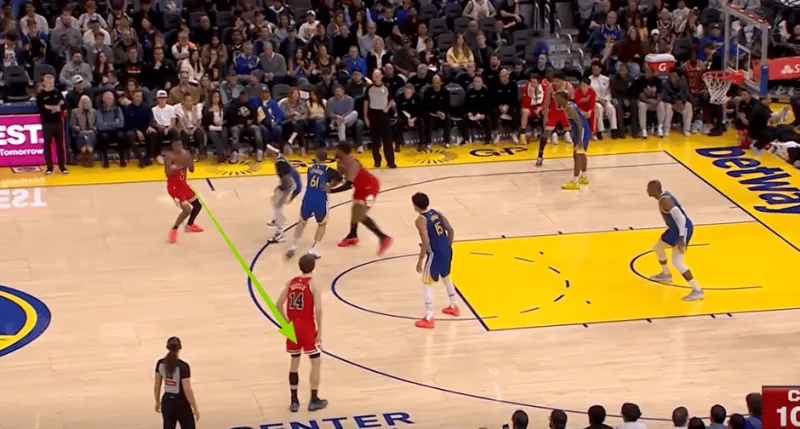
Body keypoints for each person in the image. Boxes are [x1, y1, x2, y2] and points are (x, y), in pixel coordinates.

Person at [275, 254, 328, 413]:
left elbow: (278, 305)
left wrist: (286, 323)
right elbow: (318, 309)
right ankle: (314, 399)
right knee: (315, 362)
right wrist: (320, 331)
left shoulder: (291, 282)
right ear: (313, 267)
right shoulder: (313, 284)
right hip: (306, 326)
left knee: (294, 362)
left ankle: (294, 401)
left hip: (293, 327)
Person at [330, 142, 393, 255]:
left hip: (370, 188)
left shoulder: (353, 163)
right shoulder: (340, 162)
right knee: (355, 211)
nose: (335, 151)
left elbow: (348, 185)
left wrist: (331, 191)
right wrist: (328, 186)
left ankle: (383, 237)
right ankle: (352, 235)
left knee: (360, 215)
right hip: (360, 188)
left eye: (337, 149)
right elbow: (338, 179)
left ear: (342, 150)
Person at [646, 180, 703, 301]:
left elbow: (681, 219)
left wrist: (681, 238)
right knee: (658, 247)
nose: (647, 190)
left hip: (683, 229)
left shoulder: (666, 201)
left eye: (648, 188)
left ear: (655, 190)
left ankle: (697, 290)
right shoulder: (662, 199)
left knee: (677, 262)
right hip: (674, 229)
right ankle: (666, 274)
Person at [411, 192, 460, 329]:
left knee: (426, 283)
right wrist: (447, 246)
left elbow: (426, 240)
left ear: (415, 206)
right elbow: (450, 230)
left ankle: (429, 317)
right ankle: (454, 305)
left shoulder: (420, 219)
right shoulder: (437, 213)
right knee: (446, 277)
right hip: (447, 250)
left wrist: (420, 259)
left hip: (435, 254)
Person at [287, 149, 344, 260]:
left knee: (302, 222)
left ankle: (293, 245)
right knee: (322, 224)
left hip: (308, 198)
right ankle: (315, 249)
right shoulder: (329, 171)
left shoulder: (310, 169)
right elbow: (341, 180)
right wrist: (330, 186)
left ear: (316, 158)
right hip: (320, 200)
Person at [154, 337, 199, 428]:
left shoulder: (160, 363)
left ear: (167, 347)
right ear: (180, 347)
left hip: (167, 402)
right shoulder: (183, 366)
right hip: (181, 403)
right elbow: (187, 390)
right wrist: (194, 407)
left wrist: (157, 402)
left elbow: (157, 385)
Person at [165, 138, 203, 244]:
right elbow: (167, 172)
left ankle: (190, 225)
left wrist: (190, 161)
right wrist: (175, 167)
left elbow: (192, 169)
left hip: (183, 185)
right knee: (186, 210)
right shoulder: (169, 157)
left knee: (198, 206)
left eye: (180, 144)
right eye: (177, 145)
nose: (179, 146)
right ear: (172, 146)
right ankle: (174, 229)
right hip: (174, 188)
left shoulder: (186, 154)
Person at [555, 90, 591, 190]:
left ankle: (575, 182)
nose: (555, 100)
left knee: (577, 155)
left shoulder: (569, 108)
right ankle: (584, 176)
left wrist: (579, 140)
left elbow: (579, 123)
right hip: (580, 130)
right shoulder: (568, 105)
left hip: (582, 130)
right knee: (581, 153)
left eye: (557, 99)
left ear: (563, 99)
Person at [267, 145, 303, 242]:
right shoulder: (279, 158)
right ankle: (278, 219)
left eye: (268, 150)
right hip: (291, 183)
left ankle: (280, 233)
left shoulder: (280, 163)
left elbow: (288, 183)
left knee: (277, 205)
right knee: (275, 199)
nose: (266, 152)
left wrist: (290, 195)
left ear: (274, 152)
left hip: (292, 185)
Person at [538, 71, 574, 167]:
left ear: (563, 80)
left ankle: (578, 155)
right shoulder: (550, 88)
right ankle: (540, 156)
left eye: (557, 81)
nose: (555, 83)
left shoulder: (569, 87)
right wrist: (545, 117)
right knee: (546, 133)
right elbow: (546, 104)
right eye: (554, 81)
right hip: (554, 112)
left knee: (575, 134)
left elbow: (573, 103)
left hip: (565, 112)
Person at [36, 73, 68, 175]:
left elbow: (63, 107)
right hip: (47, 123)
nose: (51, 84)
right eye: (49, 83)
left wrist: (51, 108)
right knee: (47, 145)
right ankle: (49, 167)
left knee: (60, 145)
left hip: (58, 122)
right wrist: (56, 107)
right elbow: (43, 109)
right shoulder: (40, 95)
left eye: (52, 82)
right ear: (44, 83)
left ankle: (62, 166)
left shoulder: (58, 93)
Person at [364, 69, 396, 168]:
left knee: (387, 139)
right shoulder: (369, 88)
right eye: (374, 76)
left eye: (377, 76)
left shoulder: (386, 87)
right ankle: (377, 160)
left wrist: (387, 108)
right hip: (373, 114)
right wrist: (365, 117)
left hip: (384, 115)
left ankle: (390, 161)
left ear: (381, 76)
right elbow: (366, 103)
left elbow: (392, 100)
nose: (375, 78)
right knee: (375, 140)